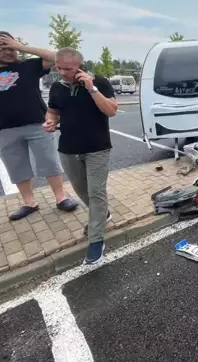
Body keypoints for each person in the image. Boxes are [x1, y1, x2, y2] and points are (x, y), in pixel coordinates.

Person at [0, 32, 78, 220]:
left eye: (10, 47)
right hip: (4, 128)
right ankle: (29, 203)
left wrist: (21, 47)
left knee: (49, 162)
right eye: (2, 48)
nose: (8, 52)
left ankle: (61, 197)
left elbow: (58, 57)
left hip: (37, 124)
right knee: (17, 167)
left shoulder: (29, 65)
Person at [44, 48, 118, 264]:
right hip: (68, 148)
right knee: (81, 191)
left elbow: (111, 110)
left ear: (80, 66)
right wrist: (50, 122)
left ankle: (96, 240)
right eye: (59, 68)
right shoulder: (57, 87)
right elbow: (54, 111)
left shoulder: (100, 82)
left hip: (97, 148)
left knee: (96, 192)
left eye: (68, 68)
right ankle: (102, 215)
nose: (63, 72)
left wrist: (91, 88)